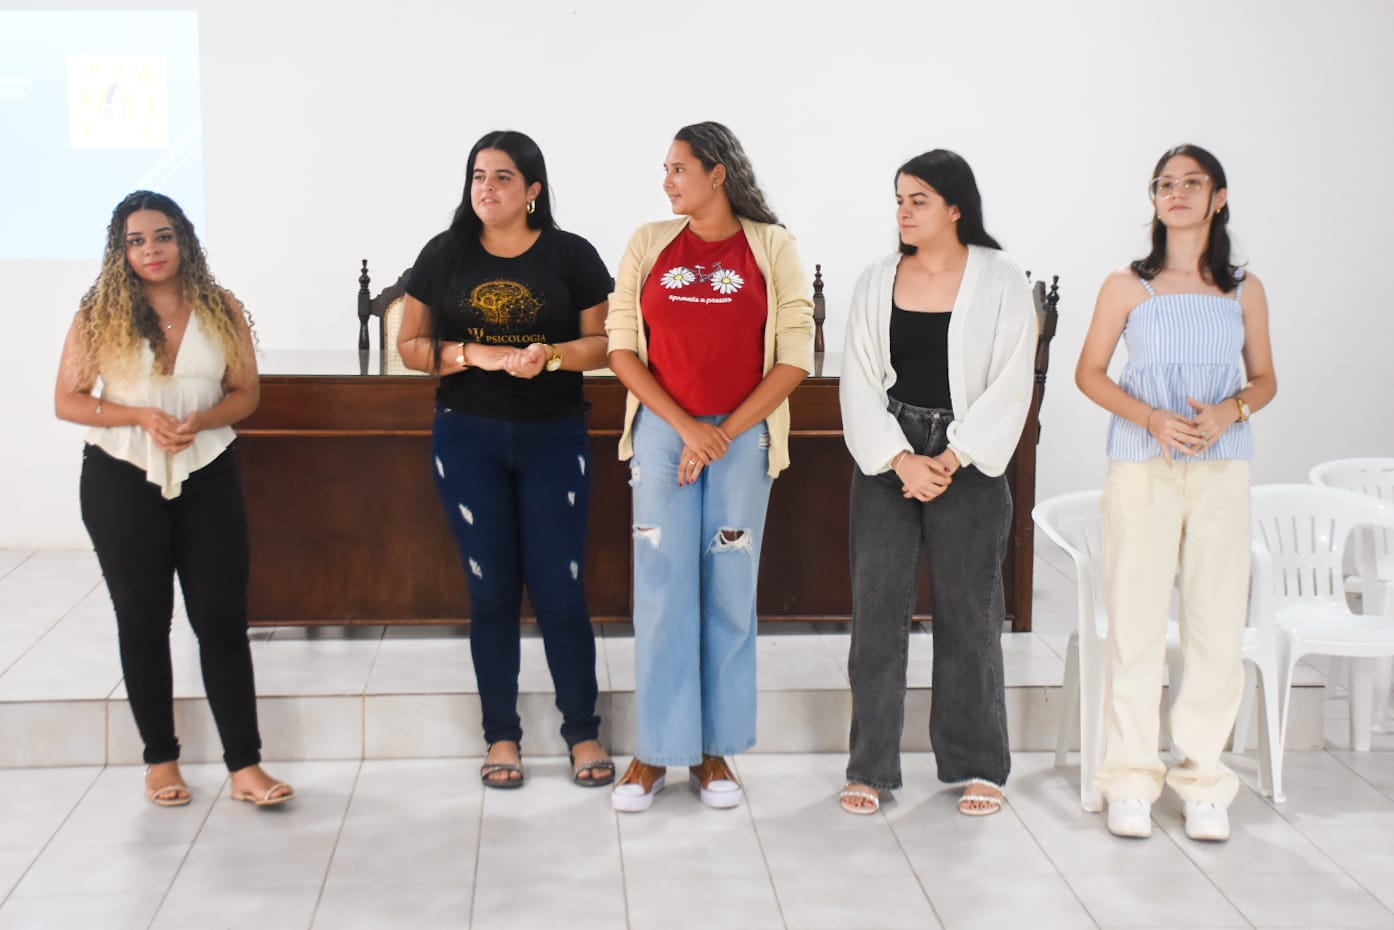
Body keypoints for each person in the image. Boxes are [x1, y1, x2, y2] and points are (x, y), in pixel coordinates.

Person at [53, 191, 293, 808]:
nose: (151, 250)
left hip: (207, 471)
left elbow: (246, 393)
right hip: (120, 478)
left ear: (183, 239)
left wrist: (204, 418)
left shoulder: (221, 307)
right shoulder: (98, 314)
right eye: (136, 241)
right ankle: (161, 762)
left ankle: (246, 767)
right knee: (142, 619)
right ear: (121, 251)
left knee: (221, 621)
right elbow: (68, 400)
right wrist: (138, 415)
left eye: (162, 236)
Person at [605, 121, 814, 812]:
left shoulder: (773, 246)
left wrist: (722, 433)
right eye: (665, 169)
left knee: (728, 587)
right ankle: (654, 751)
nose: (667, 181)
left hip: (742, 442)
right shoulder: (648, 243)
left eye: (679, 168)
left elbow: (794, 355)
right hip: (665, 437)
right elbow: (622, 347)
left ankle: (715, 751)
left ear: (717, 173)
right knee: (662, 587)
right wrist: (689, 428)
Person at [398, 130, 614, 790]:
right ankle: (501, 735)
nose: (486, 188)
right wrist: (474, 354)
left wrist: (549, 355)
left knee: (560, 589)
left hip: (554, 437)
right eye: (478, 176)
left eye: (502, 177)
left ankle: (582, 731)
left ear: (533, 191)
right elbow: (410, 345)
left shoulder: (572, 255)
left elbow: (604, 343)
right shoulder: (444, 254)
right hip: (468, 440)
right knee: (491, 591)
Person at [1075, 144, 1275, 842]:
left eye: (1192, 182)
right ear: (1154, 199)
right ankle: (1130, 780)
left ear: (1219, 198)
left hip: (1222, 471)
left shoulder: (1244, 290)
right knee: (1134, 626)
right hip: (1141, 467)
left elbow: (1265, 379)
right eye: (1166, 184)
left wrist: (1231, 411)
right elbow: (1090, 373)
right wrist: (1152, 418)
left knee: (1216, 627)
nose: (1177, 193)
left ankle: (1204, 782)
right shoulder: (1127, 286)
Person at [838, 150, 1036, 817]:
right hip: (889, 456)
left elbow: (1012, 379)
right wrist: (901, 460)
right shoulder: (877, 279)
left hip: (969, 461)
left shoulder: (1002, 277)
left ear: (955, 207)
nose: (904, 211)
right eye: (899, 199)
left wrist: (952, 457)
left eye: (918, 199)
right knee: (877, 616)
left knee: (970, 616)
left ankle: (978, 766)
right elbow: (859, 378)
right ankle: (870, 767)